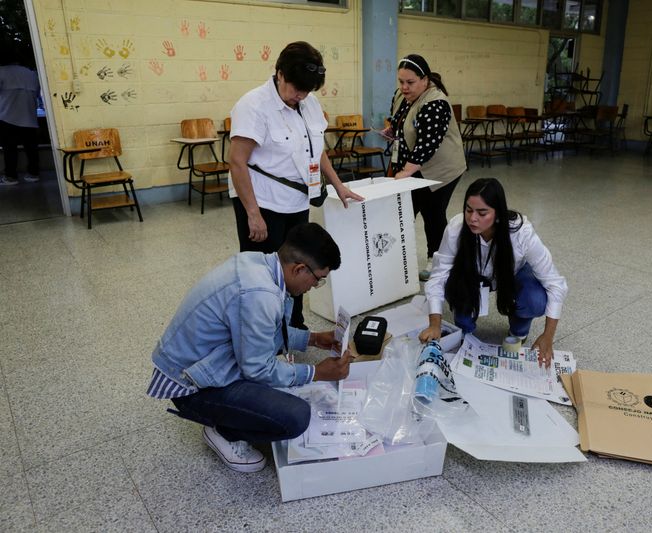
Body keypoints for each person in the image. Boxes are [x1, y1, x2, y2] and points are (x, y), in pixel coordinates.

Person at [147, 223, 355, 473]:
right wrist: (317, 373)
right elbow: (258, 369)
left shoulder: (259, 263)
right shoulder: (260, 293)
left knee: (285, 381)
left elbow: (263, 331)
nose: (313, 287)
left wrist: (312, 338)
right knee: (296, 416)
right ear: (299, 268)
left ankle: (231, 415)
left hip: (206, 363)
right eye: (318, 279)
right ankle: (224, 432)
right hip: (191, 387)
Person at [228, 41, 363, 329]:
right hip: (262, 201)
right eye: (295, 89)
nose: (300, 96)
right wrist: (253, 213)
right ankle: (261, 330)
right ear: (279, 74)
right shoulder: (253, 106)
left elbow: (318, 150)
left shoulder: (308, 103)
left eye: (307, 91)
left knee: (299, 267)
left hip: (297, 200)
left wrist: (338, 185)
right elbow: (237, 162)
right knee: (265, 273)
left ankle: (293, 323)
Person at [419, 178, 567, 368]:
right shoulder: (456, 229)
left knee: (535, 299)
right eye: (469, 210)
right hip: (471, 276)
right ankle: (465, 327)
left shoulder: (521, 233)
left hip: (512, 275)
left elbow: (555, 283)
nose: (472, 218)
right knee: (455, 287)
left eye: (482, 213)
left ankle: (519, 329)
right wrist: (435, 324)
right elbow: (438, 276)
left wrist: (548, 336)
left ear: (498, 214)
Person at [383, 54, 466, 281]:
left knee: (433, 212)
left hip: (442, 168)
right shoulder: (401, 95)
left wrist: (405, 172)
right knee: (403, 211)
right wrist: (392, 131)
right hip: (414, 163)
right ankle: (397, 257)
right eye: (401, 81)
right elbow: (398, 119)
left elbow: (426, 146)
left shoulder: (435, 103)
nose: (404, 87)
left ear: (425, 80)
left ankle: (436, 260)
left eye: (410, 82)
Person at [0, 50, 40, 186]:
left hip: (7, 116)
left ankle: (11, 176)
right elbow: (38, 94)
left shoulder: (2, 71)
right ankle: (33, 174)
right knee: (31, 148)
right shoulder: (31, 73)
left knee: (10, 149)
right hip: (30, 117)